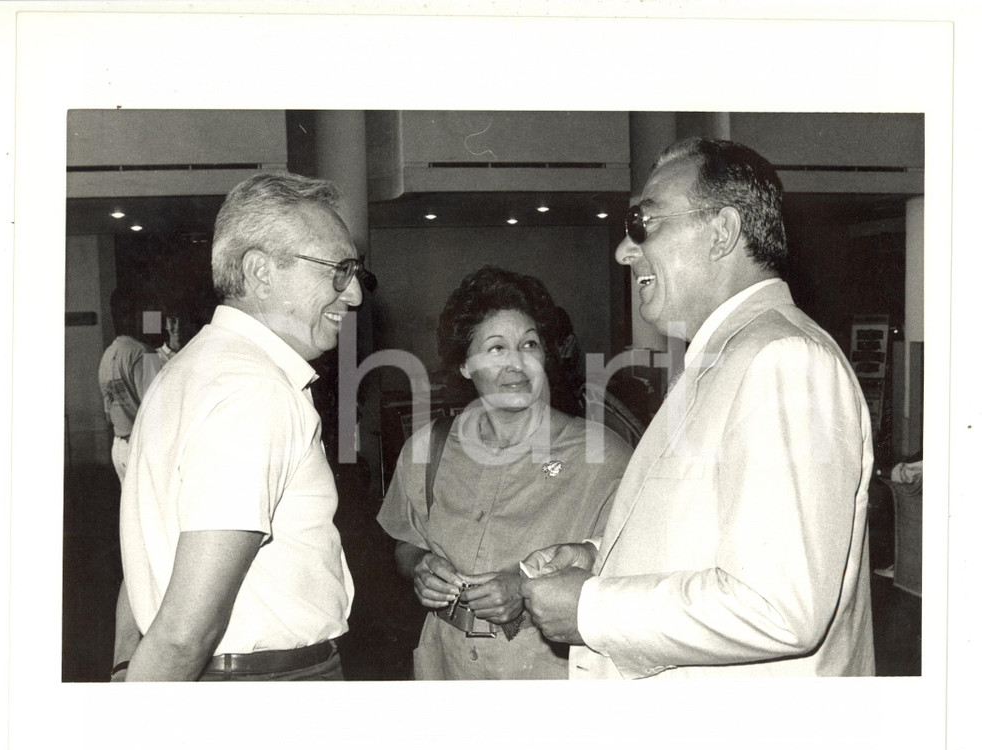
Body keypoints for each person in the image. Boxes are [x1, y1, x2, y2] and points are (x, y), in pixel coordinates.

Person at [520, 138, 876, 678]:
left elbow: (779, 606)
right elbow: (713, 531)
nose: (624, 251)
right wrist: (602, 557)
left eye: (644, 222)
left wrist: (592, 609)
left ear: (722, 232)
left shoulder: (782, 358)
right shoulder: (729, 356)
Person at [113, 171, 369, 681]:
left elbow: (149, 556)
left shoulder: (186, 371)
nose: (356, 294)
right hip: (266, 684)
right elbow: (186, 633)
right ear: (260, 272)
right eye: (338, 270)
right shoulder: (255, 390)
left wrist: (125, 665)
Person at [377, 266, 632, 679]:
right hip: (445, 666)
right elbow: (406, 543)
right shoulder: (428, 449)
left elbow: (632, 574)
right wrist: (421, 566)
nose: (517, 364)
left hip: (545, 673)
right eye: (496, 348)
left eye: (529, 344)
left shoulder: (603, 456)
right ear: (464, 364)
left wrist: (526, 592)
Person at [97, 290, 182, 482]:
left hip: (119, 448)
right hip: (142, 447)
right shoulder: (144, 352)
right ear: (133, 316)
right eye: (145, 312)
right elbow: (158, 413)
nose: (150, 319)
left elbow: (108, 415)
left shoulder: (106, 357)